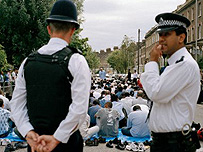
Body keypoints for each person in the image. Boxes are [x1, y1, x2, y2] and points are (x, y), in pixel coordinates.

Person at [10, 0, 91, 152]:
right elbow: (79, 109)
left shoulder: (28, 61)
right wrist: (56, 138)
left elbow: (16, 103)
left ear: (48, 29)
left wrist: (28, 132)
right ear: (73, 30)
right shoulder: (77, 60)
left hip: (35, 143)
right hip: (67, 145)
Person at [140, 13, 200, 152]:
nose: (161, 40)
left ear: (181, 37)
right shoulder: (173, 64)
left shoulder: (184, 64)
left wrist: (153, 61)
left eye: (167, 35)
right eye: (160, 35)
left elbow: (156, 93)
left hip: (174, 143)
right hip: (165, 142)